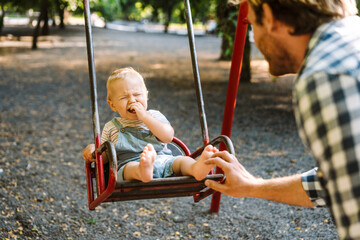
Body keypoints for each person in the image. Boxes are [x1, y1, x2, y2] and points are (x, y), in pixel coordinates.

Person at [204, 0, 360, 239]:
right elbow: (341, 178)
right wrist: (251, 186)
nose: (254, 39)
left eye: (253, 25)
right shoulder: (351, 38)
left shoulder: (325, 76)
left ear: (268, 16)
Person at [83, 67, 217, 182]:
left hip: (164, 160)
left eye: (137, 95)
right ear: (112, 105)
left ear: (146, 96)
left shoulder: (154, 116)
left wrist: (146, 117)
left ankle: (197, 169)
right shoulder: (111, 127)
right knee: (130, 169)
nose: (132, 100)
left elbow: (167, 137)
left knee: (181, 161)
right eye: (124, 98)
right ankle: (143, 169)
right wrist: (95, 151)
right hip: (130, 165)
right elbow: (106, 157)